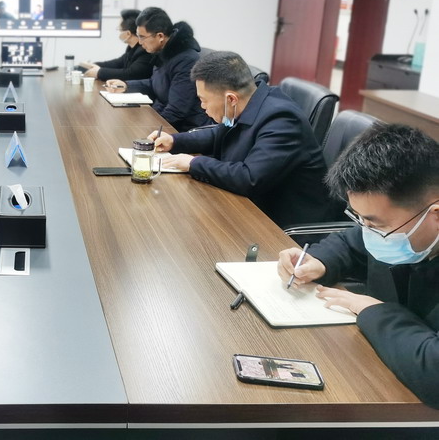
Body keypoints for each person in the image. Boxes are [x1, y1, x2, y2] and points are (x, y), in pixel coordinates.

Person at [277, 124, 439, 408]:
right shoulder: (399, 227)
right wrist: (319, 261)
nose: (368, 230)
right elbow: (352, 242)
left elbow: (433, 373)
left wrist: (370, 309)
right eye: (360, 218)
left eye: (375, 224)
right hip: (381, 371)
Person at [149, 50, 331, 227]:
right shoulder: (248, 103)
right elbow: (218, 134)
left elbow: (250, 178)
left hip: (281, 224)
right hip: (253, 206)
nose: (202, 106)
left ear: (231, 99)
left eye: (204, 100)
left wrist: (193, 163)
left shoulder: (282, 120)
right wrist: (175, 141)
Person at [106, 7, 211, 132]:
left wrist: (147, 129)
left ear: (160, 36)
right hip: (162, 118)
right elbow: (155, 83)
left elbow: (176, 111)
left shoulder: (186, 61)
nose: (140, 42)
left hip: (183, 129)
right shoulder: (163, 52)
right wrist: (126, 86)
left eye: (142, 37)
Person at [80, 8, 154, 82]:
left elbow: (130, 74)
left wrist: (99, 72)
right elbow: (117, 63)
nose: (119, 33)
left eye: (120, 29)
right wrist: (91, 65)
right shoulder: (132, 48)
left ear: (128, 34)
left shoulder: (145, 50)